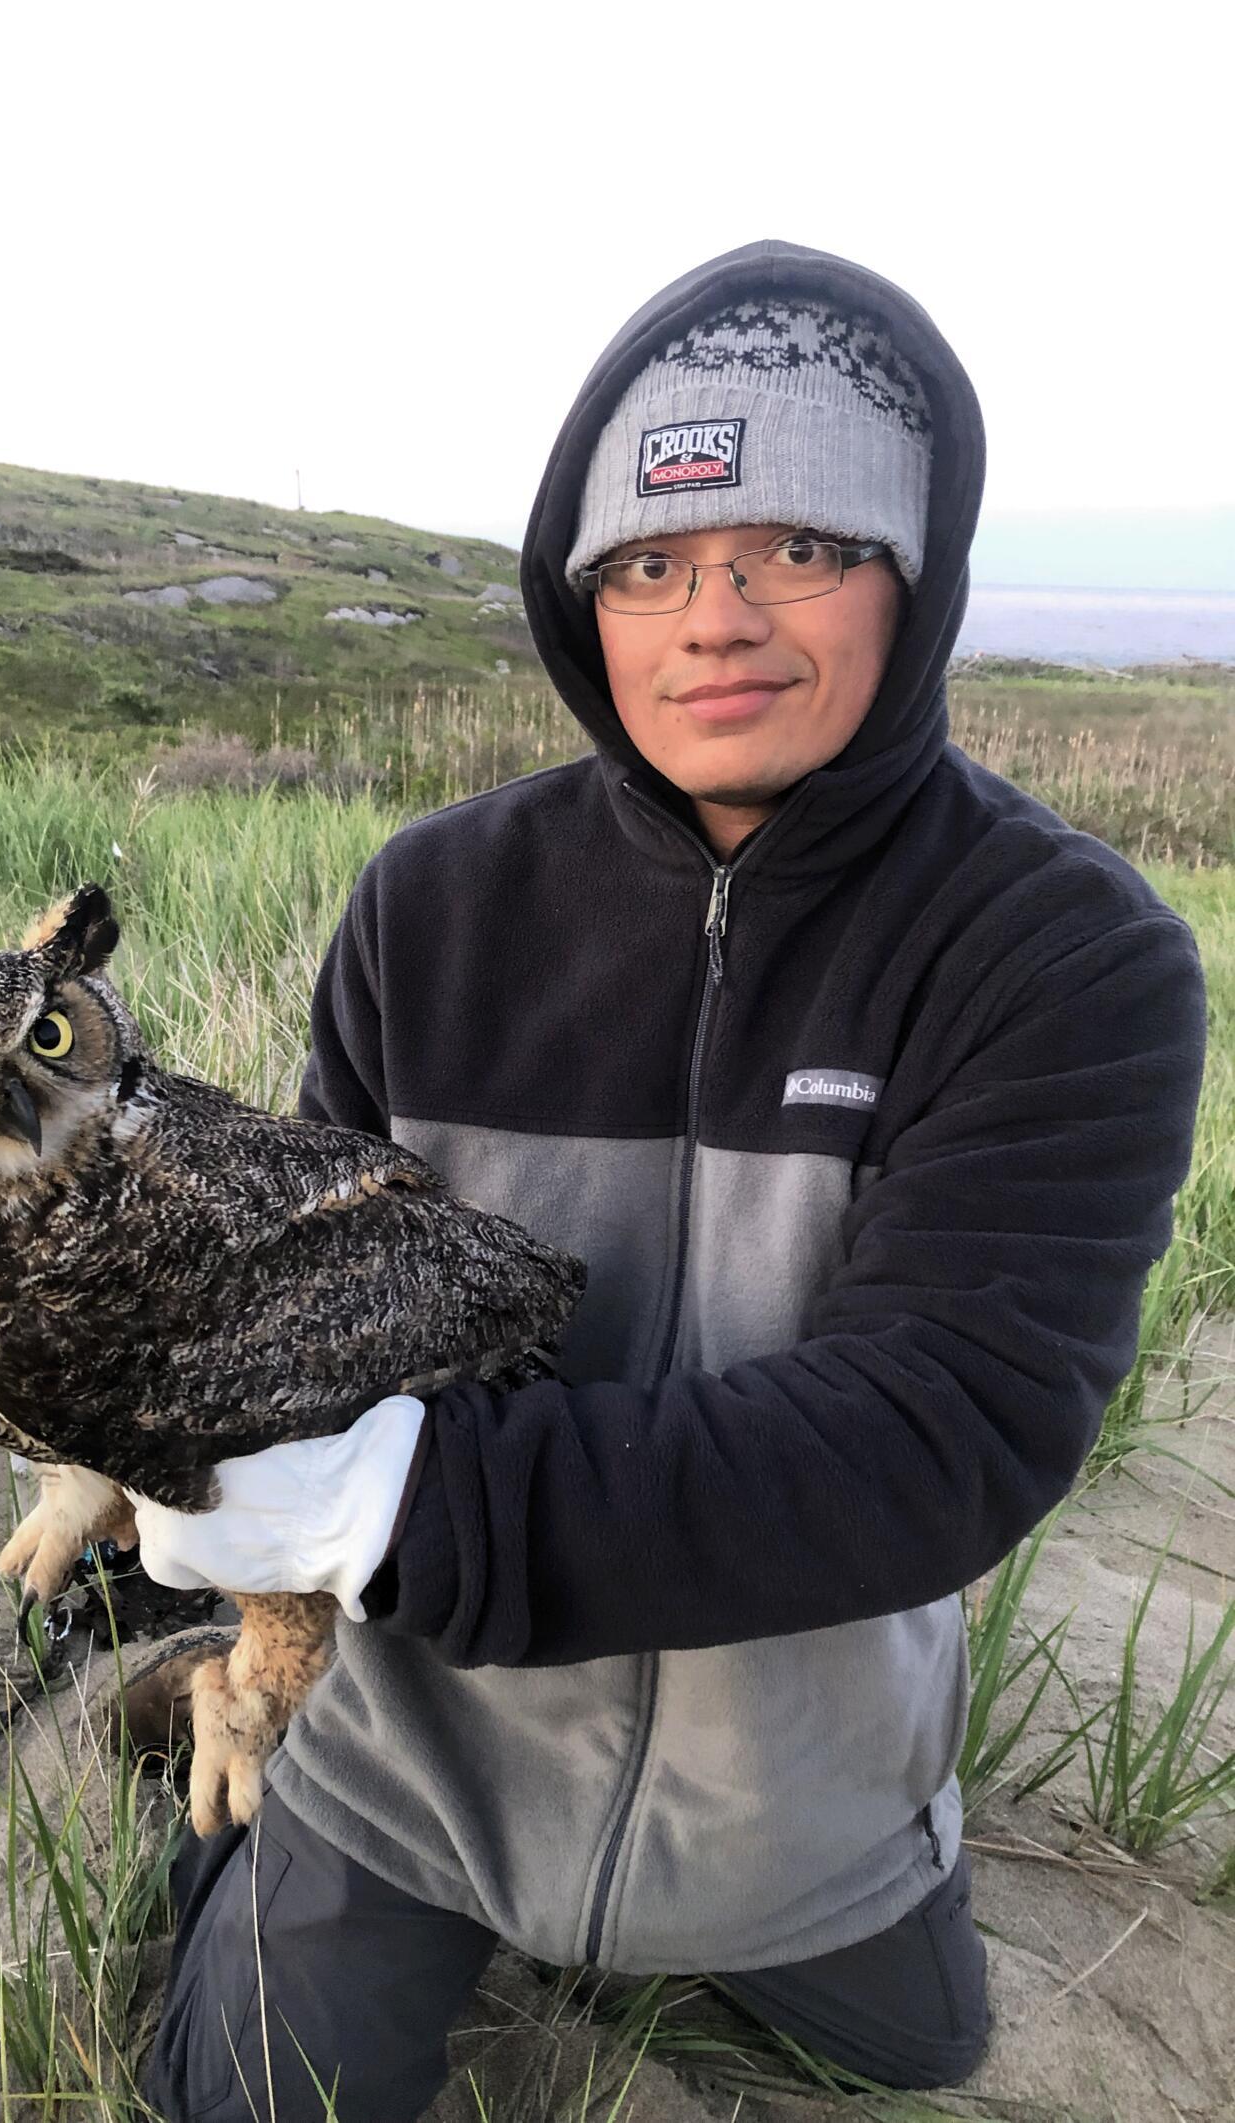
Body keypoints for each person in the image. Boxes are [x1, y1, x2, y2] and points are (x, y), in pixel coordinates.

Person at [118, 237, 1208, 2122]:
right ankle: (235, 1778)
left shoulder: (1066, 952)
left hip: (798, 1780)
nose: (715, 620)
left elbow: (943, 1433)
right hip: (420, 1744)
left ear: (917, 575)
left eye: (803, 548)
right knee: (231, 2088)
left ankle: (850, 1863)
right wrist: (229, 1525)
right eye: (650, 564)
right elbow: (312, 1307)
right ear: (583, 600)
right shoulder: (432, 907)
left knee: (922, 2053)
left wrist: (388, 1499)